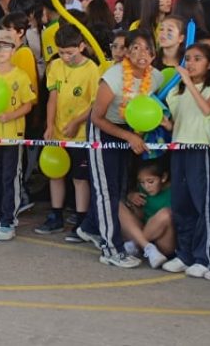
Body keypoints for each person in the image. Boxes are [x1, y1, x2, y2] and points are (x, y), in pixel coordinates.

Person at [80, 29, 165, 269]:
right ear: (126, 51)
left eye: (148, 48)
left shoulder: (156, 77)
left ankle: (89, 227)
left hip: (129, 131)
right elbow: (97, 117)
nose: (142, 53)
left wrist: (138, 132)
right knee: (106, 190)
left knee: (116, 186)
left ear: (154, 54)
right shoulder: (114, 77)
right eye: (135, 47)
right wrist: (128, 136)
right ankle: (111, 249)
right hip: (103, 129)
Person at [161, 43, 210, 277]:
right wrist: (162, 122)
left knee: (204, 205)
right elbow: (176, 124)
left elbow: (207, 110)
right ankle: (185, 253)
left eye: (197, 59)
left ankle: (204, 257)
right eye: (187, 58)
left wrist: (189, 83)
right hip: (179, 148)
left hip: (201, 149)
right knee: (181, 203)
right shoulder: (177, 91)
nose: (190, 63)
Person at [38, 24, 98, 235]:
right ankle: (56, 214)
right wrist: (50, 125)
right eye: (61, 52)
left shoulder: (92, 69)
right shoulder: (54, 66)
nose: (65, 57)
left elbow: (94, 105)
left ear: (81, 46)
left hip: (80, 133)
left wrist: (75, 123)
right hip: (58, 130)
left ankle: (82, 220)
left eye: (70, 53)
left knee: (80, 178)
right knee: (56, 173)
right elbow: (52, 98)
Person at [0, 30, 36, 241]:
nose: (1, 51)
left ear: (14, 50)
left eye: (6, 47)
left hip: (13, 136)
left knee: (9, 177)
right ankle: (1, 216)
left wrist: (11, 115)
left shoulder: (20, 76)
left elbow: (28, 104)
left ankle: (8, 221)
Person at [118, 161, 176, 269]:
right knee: (118, 206)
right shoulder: (142, 191)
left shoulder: (174, 191)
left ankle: (137, 244)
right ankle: (147, 247)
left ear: (163, 177)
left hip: (163, 242)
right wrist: (131, 197)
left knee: (166, 213)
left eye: (150, 182)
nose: (146, 187)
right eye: (142, 183)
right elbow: (140, 215)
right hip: (145, 232)